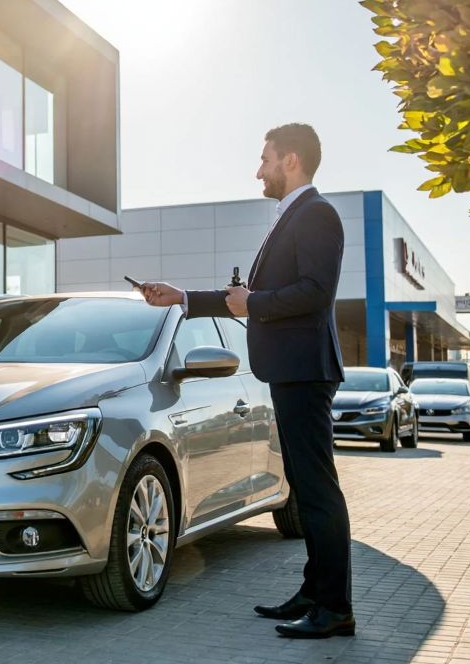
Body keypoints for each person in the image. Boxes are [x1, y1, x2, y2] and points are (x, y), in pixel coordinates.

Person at [139, 123, 353, 639]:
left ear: (292, 161)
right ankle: (314, 591)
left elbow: (315, 293)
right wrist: (182, 297)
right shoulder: (293, 216)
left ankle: (335, 609)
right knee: (304, 483)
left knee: (318, 491)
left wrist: (253, 301)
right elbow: (246, 297)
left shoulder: (317, 214)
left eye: (265, 159)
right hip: (289, 370)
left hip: (305, 371)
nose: (258, 169)